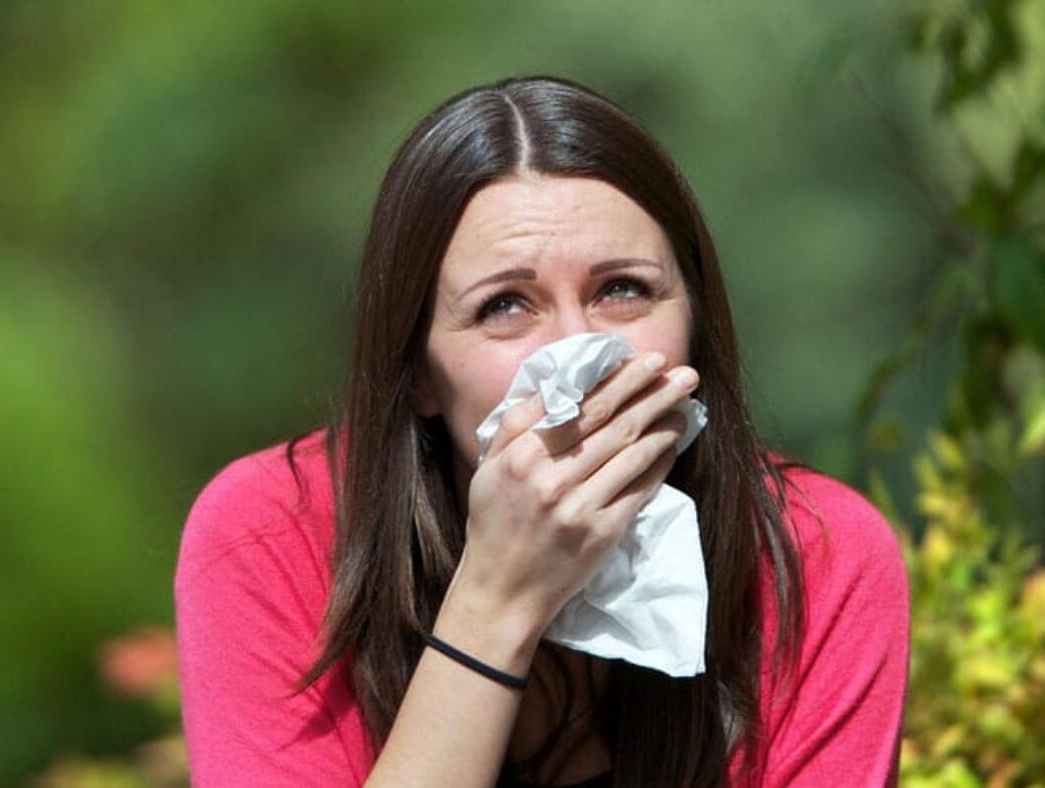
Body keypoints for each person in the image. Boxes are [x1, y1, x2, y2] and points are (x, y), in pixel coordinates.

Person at [175, 75, 910, 787]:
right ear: (421, 374)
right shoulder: (272, 533)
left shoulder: (818, 560)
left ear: (696, 321)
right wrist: (497, 599)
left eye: (623, 290)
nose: (575, 355)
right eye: (504, 306)